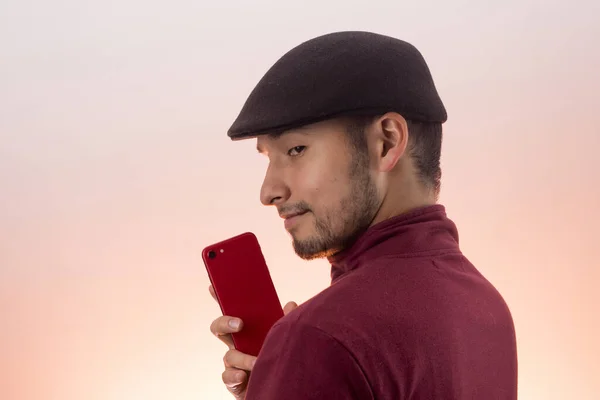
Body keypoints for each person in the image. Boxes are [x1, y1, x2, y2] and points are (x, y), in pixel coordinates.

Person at [208, 31, 518, 399]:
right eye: (268, 158)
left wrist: (294, 362)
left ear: (386, 142)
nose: (269, 191)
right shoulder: (486, 307)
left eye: (295, 149)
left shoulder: (321, 336)